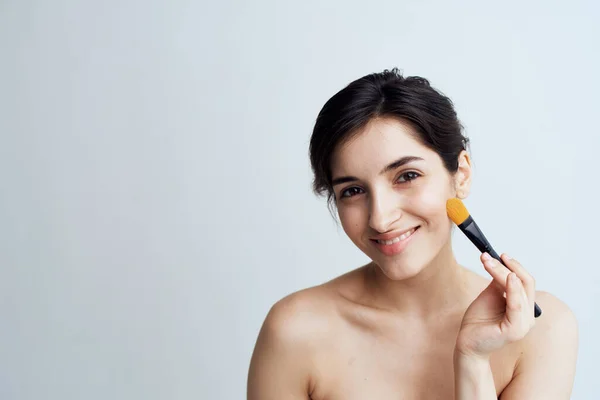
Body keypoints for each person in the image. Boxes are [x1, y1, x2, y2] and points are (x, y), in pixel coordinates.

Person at [247, 68, 578, 399]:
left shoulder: (543, 330)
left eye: (406, 176)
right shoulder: (294, 332)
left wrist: (474, 360)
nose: (380, 218)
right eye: (352, 191)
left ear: (461, 174)